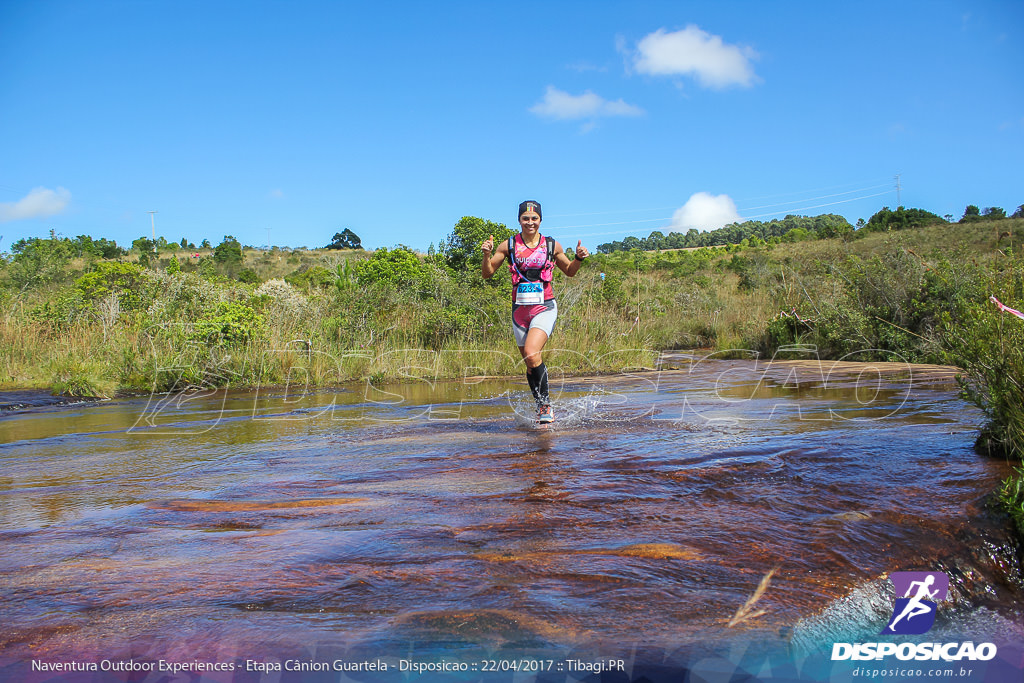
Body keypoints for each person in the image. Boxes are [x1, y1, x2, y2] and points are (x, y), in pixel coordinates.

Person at [481, 200, 589, 423]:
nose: (530, 222)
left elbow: (569, 271)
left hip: (544, 307)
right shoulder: (509, 245)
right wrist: (485, 255)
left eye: (534, 218)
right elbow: (487, 273)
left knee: (531, 352)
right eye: (525, 218)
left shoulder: (551, 245)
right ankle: (540, 406)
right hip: (519, 311)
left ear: (540, 220)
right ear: (519, 220)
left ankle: (545, 407)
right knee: (530, 364)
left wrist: (578, 258)